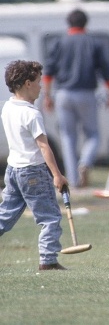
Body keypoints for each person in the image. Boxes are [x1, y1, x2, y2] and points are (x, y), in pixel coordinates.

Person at [0, 60, 69, 270]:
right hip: (33, 171)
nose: (41, 86)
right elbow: (44, 147)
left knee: (5, 215)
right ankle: (48, 260)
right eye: (39, 82)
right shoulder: (32, 113)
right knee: (49, 217)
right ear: (27, 83)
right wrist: (57, 175)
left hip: (12, 170)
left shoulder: (8, 106)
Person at [43, 9, 109, 188]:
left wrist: (47, 96)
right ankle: (85, 162)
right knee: (92, 134)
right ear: (86, 23)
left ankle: (74, 180)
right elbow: (106, 72)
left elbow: (48, 72)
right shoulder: (94, 42)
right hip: (86, 93)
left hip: (63, 94)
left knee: (68, 137)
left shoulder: (59, 42)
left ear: (69, 23)